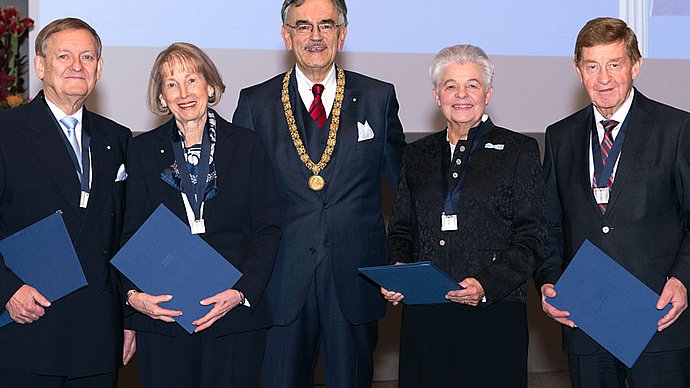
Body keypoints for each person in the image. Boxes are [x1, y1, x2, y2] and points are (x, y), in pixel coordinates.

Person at [233, 0, 405, 386]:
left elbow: (405, 190)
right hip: (280, 280)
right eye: (303, 26)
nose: (315, 36)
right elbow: (238, 200)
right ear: (286, 34)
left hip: (356, 278)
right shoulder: (255, 103)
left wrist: (402, 260)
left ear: (342, 34)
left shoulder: (378, 98)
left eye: (326, 25)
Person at [534, 17, 690, 387]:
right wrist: (549, 280)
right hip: (585, 316)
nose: (603, 78)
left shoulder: (676, 129)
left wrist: (683, 280)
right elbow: (550, 225)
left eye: (614, 64)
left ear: (636, 65)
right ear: (577, 70)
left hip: (656, 315)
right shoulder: (560, 137)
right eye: (592, 66)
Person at [383, 44, 546, 387]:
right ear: (436, 94)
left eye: (472, 85)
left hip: (493, 312)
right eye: (450, 85)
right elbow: (401, 230)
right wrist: (399, 270)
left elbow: (532, 236)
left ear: (488, 93)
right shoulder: (416, 154)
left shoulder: (519, 150)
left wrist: (486, 284)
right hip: (426, 313)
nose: (461, 95)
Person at [120, 42, 281, 388]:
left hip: (233, 314)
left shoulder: (247, 145)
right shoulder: (141, 150)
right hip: (164, 314)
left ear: (210, 86)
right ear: (161, 97)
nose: (184, 93)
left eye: (192, 80)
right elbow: (129, 233)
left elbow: (268, 228)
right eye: (171, 84)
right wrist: (133, 297)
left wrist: (240, 292)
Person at [0, 18, 133, 387]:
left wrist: (128, 319)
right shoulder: (6, 132)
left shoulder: (117, 138)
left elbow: (124, 234)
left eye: (87, 56)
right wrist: (7, 290)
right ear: (41, 66)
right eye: (64, 56)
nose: (77, 65)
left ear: (99, 68)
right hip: (27, 326)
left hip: (98, 336)